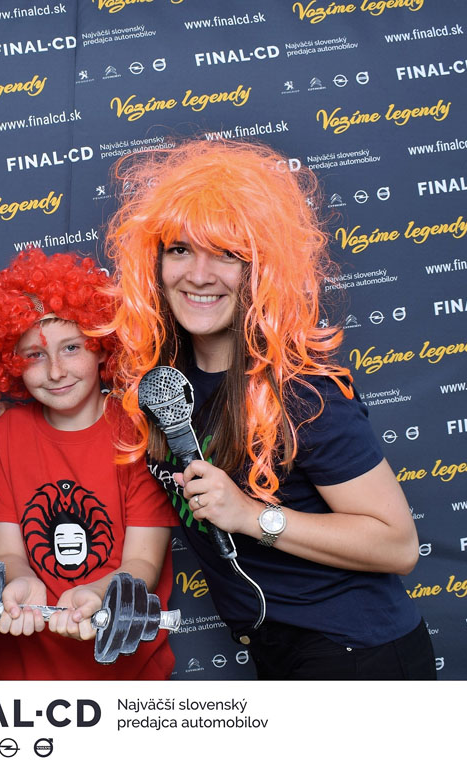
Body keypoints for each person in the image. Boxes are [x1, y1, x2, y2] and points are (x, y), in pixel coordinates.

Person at [104, 138, 436, 679]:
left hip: (357, 655)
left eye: (227, 253)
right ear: (155, 262)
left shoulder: (302, 391)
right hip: (274, 647)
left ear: (261, 266)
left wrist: (251, 516)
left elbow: (398, 546)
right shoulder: (161, 383)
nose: (199, 274)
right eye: (180, 249)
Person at [0, 248, 176, 679]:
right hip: (23, 672)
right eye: (34, 355)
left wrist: (98, 594)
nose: (56, 371)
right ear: (11, 361)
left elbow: (143, 564)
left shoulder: (140, 433)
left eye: (71, 348)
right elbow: (7, 552)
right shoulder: (2, 436)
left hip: (127, 673)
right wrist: (21, 583)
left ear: (101, 347)